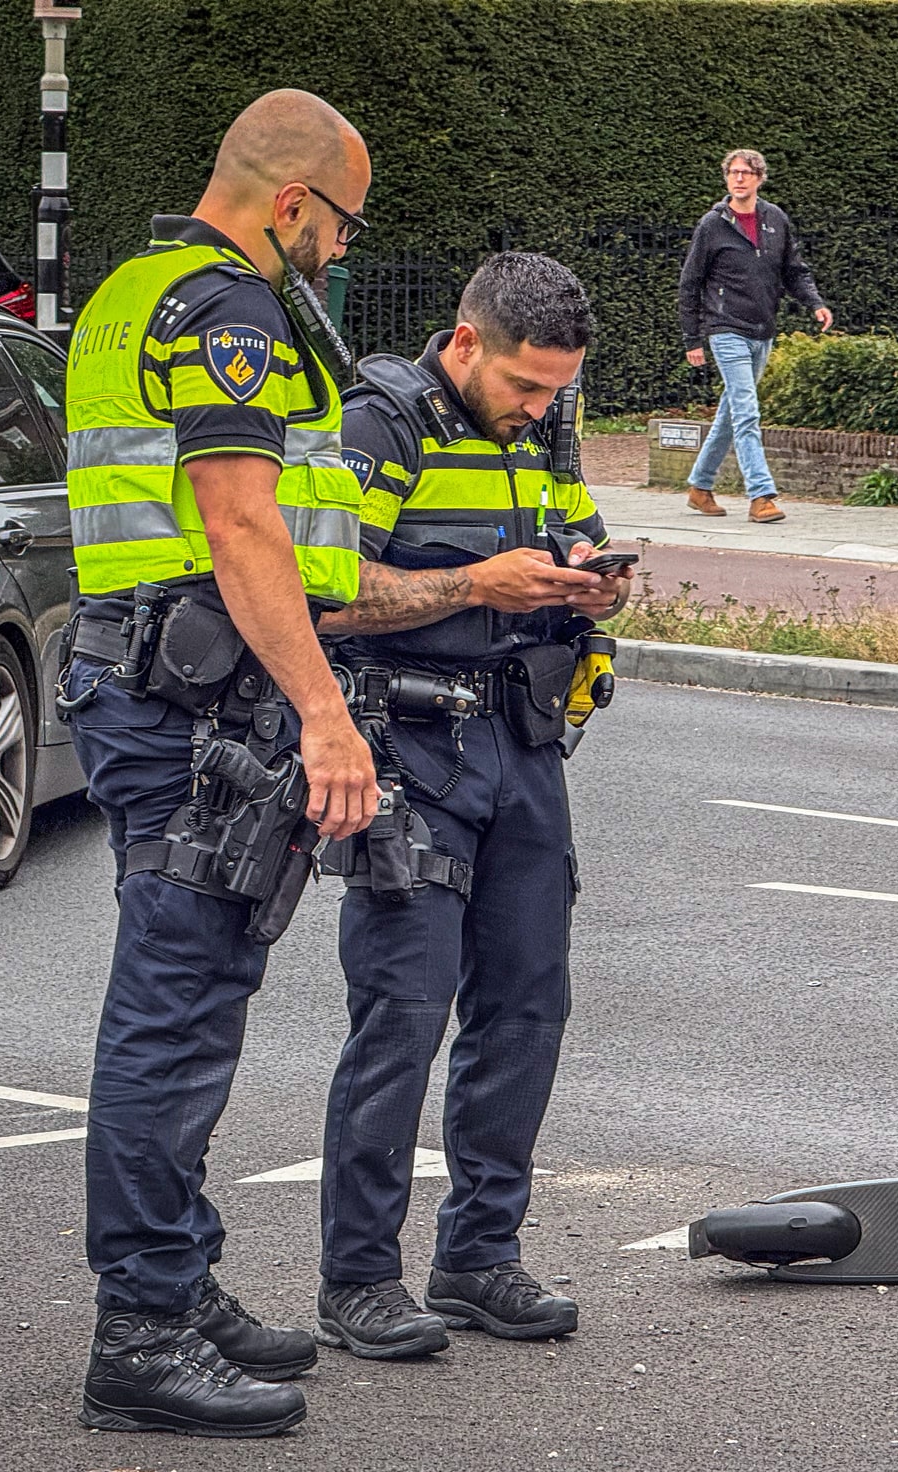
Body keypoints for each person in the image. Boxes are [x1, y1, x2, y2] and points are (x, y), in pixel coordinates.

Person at [58, 89, 378, 1438]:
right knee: (175, 1010)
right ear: (292, 202)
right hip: (189, 699)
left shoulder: (134, 289)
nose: (346, 250)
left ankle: (177, 1286)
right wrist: (325, 713)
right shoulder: (230, 309)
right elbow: (240, 525)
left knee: (192, 994)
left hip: (152, 680)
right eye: (345, 223)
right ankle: (139, 1330)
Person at [311, 252, 629, 1360]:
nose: (540, 406)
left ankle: (479, 1259)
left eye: (556, 389)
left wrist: (594, 578)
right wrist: (473, 585)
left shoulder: (543, 434)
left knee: (527, 1009)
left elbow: (578, 534)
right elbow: (324, 592)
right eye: (526, 384)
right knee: (401, 1018)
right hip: (410, 747)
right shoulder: (380, 425)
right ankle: (358, 1279)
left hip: (523, 741)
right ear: (463, 343)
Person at [678, 148, 832, 524]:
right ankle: (761, 495)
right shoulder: (712, 225)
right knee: (747, 412)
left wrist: (814, 303)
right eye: (733, 172)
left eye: (746, 173)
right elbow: (690, 282)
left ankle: (700, 486)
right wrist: (692, 339)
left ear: (760, 178)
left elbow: (794, 270)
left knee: (731, 412)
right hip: (725, 328)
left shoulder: (775, 219)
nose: (739, 178)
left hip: (762, 330)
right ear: (726, 178)